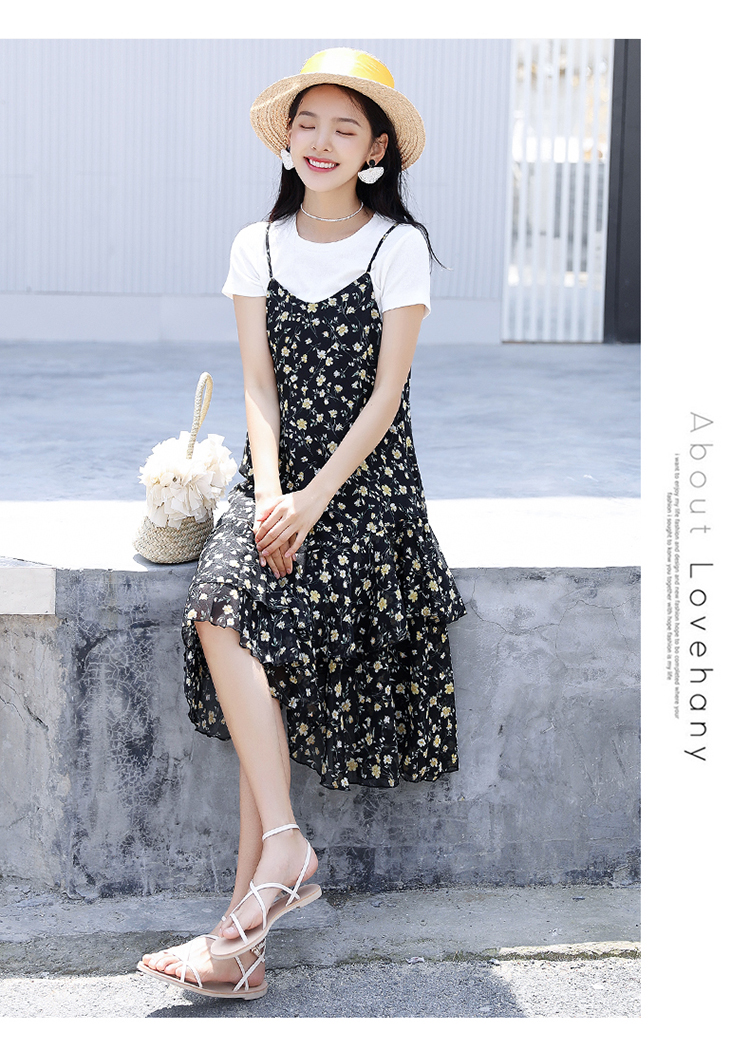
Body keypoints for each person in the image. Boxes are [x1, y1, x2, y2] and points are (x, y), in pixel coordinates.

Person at [137, 46, 467, 1001]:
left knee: (267, 639)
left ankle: (240, 938)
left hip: (365, 486)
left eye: (345, 128)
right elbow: (257, 385)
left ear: (375, 150)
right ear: (287, 138)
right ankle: (279, 861)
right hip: (272, 478)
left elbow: (385, 399)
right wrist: (273, 495)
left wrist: (312, 500)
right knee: (219, 607)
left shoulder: (397, 247)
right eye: (308, 123)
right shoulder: (258, 242)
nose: (322, 141)